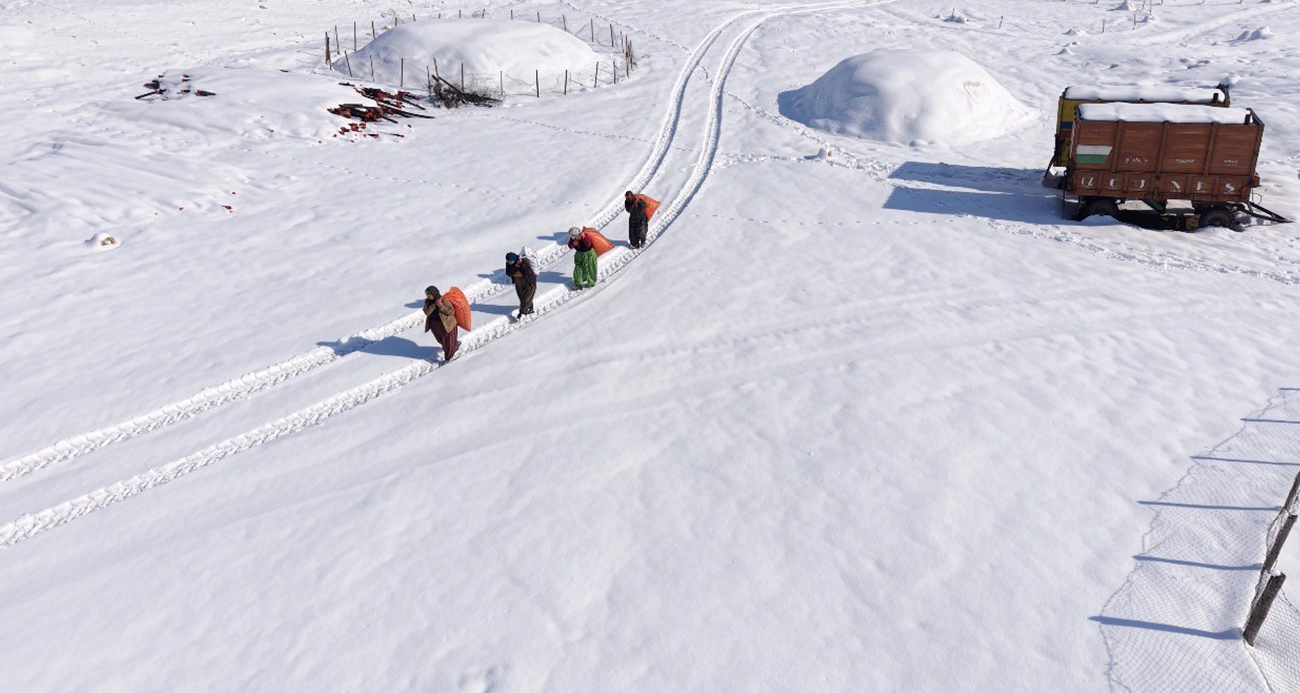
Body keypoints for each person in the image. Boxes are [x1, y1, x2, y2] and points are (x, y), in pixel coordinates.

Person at [423, 286, 459, 361]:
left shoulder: (444, 300)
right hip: (435, 325)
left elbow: (451, 311)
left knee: (449, 342)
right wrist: (433, 306)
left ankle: (449, 358)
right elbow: (426, 312)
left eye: (429, 294)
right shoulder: (427, 302)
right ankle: (454, 344)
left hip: (447, 324)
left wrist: (441, 306)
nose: (427, 296)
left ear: (433, 293)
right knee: (441, 340)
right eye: (426, 294)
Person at [505, 251, 536, 317]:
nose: (510, 263)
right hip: (518, 282)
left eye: (511, 261)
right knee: (522, 298)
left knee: (525, 299)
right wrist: (515, 266)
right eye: (509, 261)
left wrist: (521, 264)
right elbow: (509, 273)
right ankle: (530, 309)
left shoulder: (523, 261)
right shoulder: (509, 263)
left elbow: (528, 272)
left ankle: (522, 314)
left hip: (528, 281)